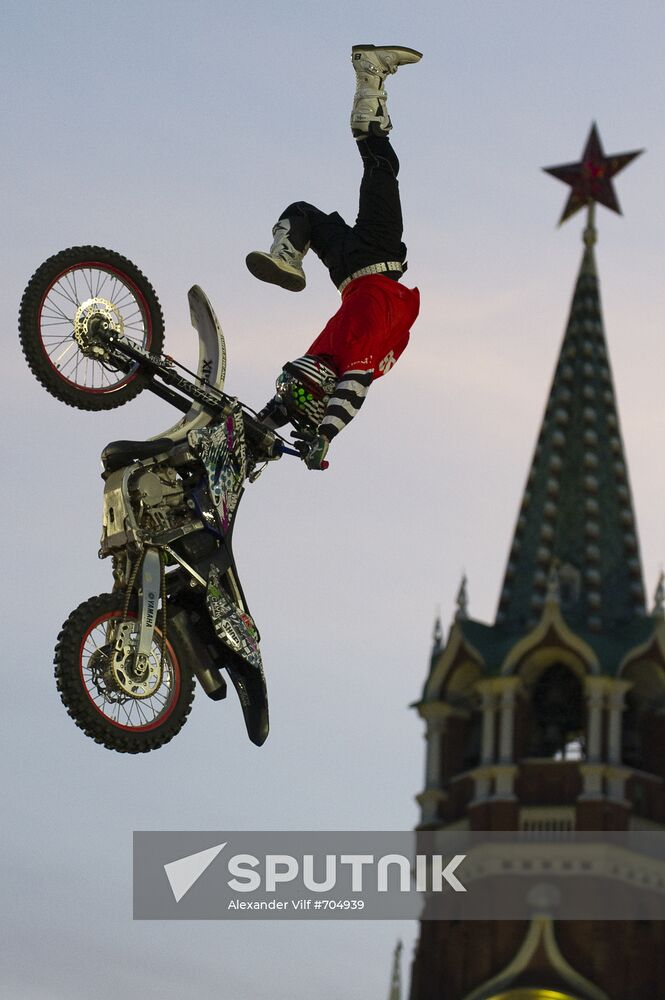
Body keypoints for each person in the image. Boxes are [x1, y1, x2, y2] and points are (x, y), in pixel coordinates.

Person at [247, 44, 422, 470]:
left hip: (373, 261)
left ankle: (370, 78)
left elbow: (293, 397)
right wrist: (316, 433)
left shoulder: (330, 357)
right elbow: (338, 393)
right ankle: (287, 251)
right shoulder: (339, 362)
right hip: (349, 271)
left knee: (380, 165)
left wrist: (261, 430)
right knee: (303, 212)